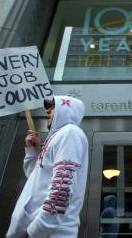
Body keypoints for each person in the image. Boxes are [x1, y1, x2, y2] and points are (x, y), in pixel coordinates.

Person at [6, 95, 89, 238]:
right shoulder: (58, 137)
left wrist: (36, 231)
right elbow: (36, 178)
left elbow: (62, 189)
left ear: (67, 109)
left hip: (47, 233)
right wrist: (32, 151)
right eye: (47, 108)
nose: (48, 111)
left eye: (53, 106)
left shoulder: (70, 133)